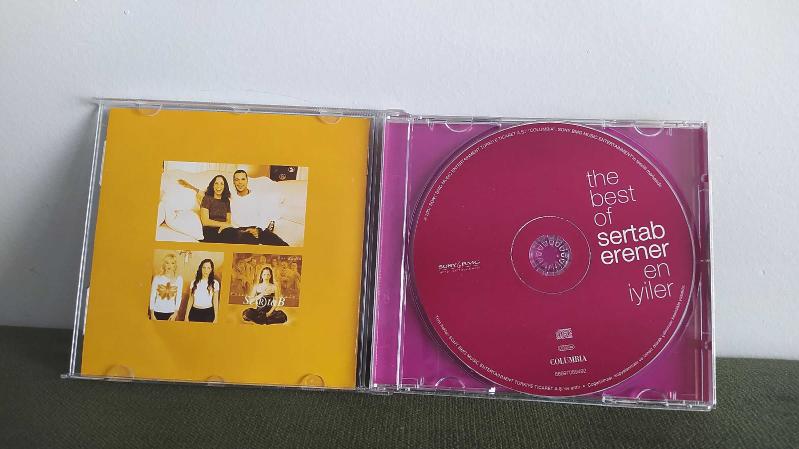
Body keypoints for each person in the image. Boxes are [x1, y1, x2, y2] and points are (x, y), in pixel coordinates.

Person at [230, 170, 288, 246]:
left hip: (258, 229)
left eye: (243, 179)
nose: (240, 182)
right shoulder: (230, 197)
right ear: (233, 182)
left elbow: (264, 214)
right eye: (237, 180)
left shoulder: (257, 196)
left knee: (282, 245)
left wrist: (258, 229)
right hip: (240, 231)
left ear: (247, 181)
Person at [196, 175, 238, 243]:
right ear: (212, 185)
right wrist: (223, 224)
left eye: (222, 184)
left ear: (225, 187)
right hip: (210, 230)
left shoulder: (226, 201)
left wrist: (224, 226)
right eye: (216, 183)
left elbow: (228, 221)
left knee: (241, 235)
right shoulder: (207, 198)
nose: (219, 186)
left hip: (224, 229)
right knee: (233, 234)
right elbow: (205, 221)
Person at [149, 254, 183, 321]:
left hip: (171, 313)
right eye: (167, 263)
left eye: (172, 263)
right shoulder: (157, 278)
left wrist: (175, 314)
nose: (169, 265)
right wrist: (152, 314)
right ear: (164, 264)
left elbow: (179, 297)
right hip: (156, 312)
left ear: (175, 265)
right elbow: (152, 296)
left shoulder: (179, 279)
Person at [185, 259, 220, 323]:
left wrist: (216, 317)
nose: (206, 270)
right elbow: (190, 299)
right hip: (194, 312)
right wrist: (186, 316)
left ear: (211, 269)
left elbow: (215, 301)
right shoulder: (194, 282)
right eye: (204, 267)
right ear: (201, 268)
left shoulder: (215, 283)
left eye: (208, 268)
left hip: (208, 313)